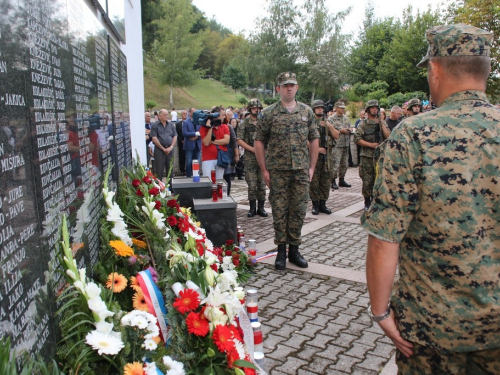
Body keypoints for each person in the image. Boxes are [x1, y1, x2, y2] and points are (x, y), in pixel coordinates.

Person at [363, 24, 500, 373]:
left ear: (434, 69)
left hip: (431, 329)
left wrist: (380, 312)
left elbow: (384, 238)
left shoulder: (413, 134)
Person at [254, 72, 319, 270]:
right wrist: (264, 169)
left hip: (300, 171)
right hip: (278, 171)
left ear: (297, 88)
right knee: (280, 210)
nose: (289, 88)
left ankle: (295, 250)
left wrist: (312, 168)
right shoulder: (269, 113)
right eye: (285, 85)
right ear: (278, 89)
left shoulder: (307, 112)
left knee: (299, 210)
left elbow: (314, 138)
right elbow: (259, 141)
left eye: (292, 85)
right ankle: (281, 251)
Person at [354, 100, 390, 210]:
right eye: (372, 108)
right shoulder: (363, 124)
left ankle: (377, 200)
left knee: (379, 178)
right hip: (367, 156)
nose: (375, 109)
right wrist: (370, 145)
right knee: (367, 180)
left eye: (376, 108)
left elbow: (388, 136)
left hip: (380, 156)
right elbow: (357, 139)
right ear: (368, 110)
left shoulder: (382, 122)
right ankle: (367, 201)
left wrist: (381, 123)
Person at [237, 99, 268, 218]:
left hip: (263, 157)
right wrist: (252, 149)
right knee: (252, 184)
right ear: (250, 109)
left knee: (262, 183)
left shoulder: (263, 122)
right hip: (250, 158)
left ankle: (261, 207)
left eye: (259, 108)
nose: (257, 110)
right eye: (255, 108)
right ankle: (252, 208)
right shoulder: (244, 123)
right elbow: (239, 139)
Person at [309, 100, 339, 215]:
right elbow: (304, 140)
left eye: (322, 108)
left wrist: (328, 126)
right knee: (314, 182)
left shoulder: (328, 122)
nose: (320, 109)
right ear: (314, 110)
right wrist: (316, 149)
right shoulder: (310, 123)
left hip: (326, 158)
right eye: (318, 108)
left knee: (325, 181)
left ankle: (323, 204)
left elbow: (336, 136)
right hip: (314, 157)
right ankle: (315, 204)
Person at [199, 107, 230, 180]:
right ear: (217, 116)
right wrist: (210, 128)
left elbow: (226, 141)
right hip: (208, 158)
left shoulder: (224, 126)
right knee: (208, 181)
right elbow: (206, 142)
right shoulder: (204, 128)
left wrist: (212, 141)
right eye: (222, 115)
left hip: (220, 157)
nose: (224, 117)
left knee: (219, 181)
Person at [151, 109, 177, 190]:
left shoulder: (171, 125)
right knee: (159, 170)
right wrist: (163, 148)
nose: (167, 116)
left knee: (170, 170)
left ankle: (171, 189)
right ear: (160, 116)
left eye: (167, 115)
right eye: (165, 115)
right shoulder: (155, 125)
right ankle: (159, 189)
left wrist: (171, 147)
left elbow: (175, 136)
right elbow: (154, 138)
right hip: (159, 150)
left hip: (170, 149)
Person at [329, 101, 352, 190]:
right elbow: (331, 130)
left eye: (344, 108)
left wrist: (349, 130)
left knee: (344, 163)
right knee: (335, 163)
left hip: (345, 144)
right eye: (341, 108)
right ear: (337, 108)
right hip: (337, 145)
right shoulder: (331, 119)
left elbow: (349, 126)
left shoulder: (346, 118)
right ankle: (333, 180)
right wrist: (340, 131)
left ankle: (341, 179)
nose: (343, 109)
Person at [223, 116, 239, 196]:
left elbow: (234, 141)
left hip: (227, 153)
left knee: (227, 176)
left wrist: (236, 155)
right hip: (217, 153)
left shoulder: (228, 127)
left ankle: (227, 194)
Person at [182, 107, 201, 178]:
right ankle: (189, 176)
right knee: (189, 162)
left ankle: (196, 176)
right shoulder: (186, 122)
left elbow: (202, 132)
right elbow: (184, 133)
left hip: (197, 145)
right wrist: (195, 134)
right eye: (193, 112)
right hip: (189, 145)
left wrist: (196, 135)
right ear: (189, 113)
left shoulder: (199, 122)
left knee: (197, 162)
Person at [175, 110, 187, 176]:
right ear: (181, 115)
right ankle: (182, 170)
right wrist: (181, 140)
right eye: (184, 114)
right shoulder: (178, 124)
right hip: (181, 143)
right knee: (181, 157)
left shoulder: (189, 123)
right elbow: (177, 133)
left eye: (186, 113)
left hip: (188, 142)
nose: (185, 115)